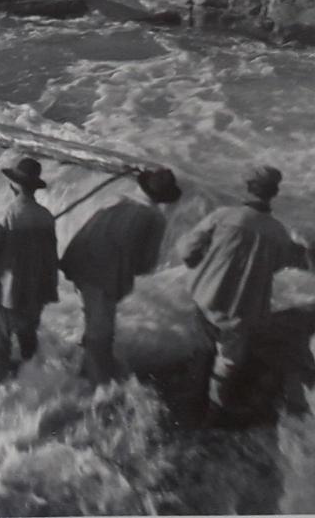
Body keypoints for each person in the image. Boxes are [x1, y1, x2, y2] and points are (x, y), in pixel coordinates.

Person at [179, 165, 312, 424]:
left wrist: (200, 260)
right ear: (273, 193)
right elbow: (286, 261)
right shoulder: (278, 232)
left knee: (202, 353)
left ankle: (190, 406)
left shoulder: (223, 216)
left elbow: (187, 250)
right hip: (243, 309)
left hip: (207, 298)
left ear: (248, 188)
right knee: (227, 363)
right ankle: (214, 411)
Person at [60, 168, 182, 384]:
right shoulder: (155, 219)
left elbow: (88, 230)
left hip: (78, 262)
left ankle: (84, 370)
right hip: (105, 276)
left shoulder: (116, 199)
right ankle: (95, 385)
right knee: (102, 333)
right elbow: (145, 264)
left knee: (93, 320)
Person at [0, 157, 60, 387]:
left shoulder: (6, 215)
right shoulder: (47, 217)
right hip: (36, 292)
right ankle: (30, 386)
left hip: (7, 294)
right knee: (28, 339)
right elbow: (51, 257)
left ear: (13, 185)